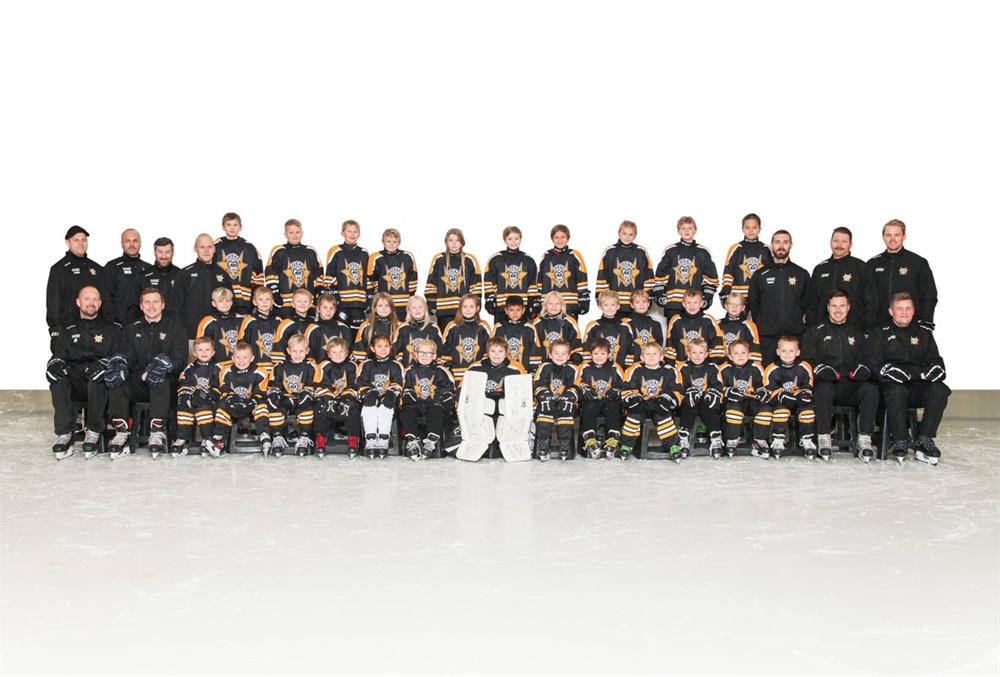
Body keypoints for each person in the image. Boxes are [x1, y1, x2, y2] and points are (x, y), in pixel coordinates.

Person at [104, 287, 187, 458]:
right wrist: (121, 365)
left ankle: (156, 433)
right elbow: (127, 357)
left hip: (166, 382)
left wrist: (166, 366)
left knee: (160, 380)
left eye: (155, 302)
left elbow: (180, 362)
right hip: (139, 379)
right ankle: (121, 432)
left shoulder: (175, 329)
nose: (151, 306)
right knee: (118, 383)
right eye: (147, 302)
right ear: (141, 306)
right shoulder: (130, 329)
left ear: (163, 304)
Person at [869, 292, 950, 465]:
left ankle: (925, 438)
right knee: (897, 390)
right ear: (891, 311)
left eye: (908, 308)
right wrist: (898, 373)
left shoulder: (924, 333)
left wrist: (919, 374)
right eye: (900, 309)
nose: (904, 312)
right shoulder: (879, 333)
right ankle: (900, 439)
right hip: (890, 389)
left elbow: (936, 363)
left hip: (917, 386)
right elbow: (875, 366)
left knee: (940, 390)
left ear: (913, 310)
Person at [802, 290, 879, 462]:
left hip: (852, 385)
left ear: (848, 307)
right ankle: (824, 437)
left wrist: (864, 369)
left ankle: (864, 438)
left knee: (871, 390)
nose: (838, 310)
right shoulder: (815, 333)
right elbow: (806, 361)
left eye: (842, 306)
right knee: (823, 389)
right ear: (828, 307)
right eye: (834, 306)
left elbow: (869, 359)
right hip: (829, 385)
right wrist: (818, 369)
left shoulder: (858, 333)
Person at [47, 286, 121, 460]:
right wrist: (54, 366)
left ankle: (93, 431)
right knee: (58, 380)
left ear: (100, 303)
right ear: (78, 302)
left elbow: (118, 356)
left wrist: (104, 365)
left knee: (98, 378)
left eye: (95, 299)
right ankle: (65, 433)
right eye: (87, 299)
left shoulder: (112, 329)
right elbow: (59, 357)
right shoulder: (67, 329)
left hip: (99, 382)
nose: (91, 303)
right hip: (76, 379)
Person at [747, 230, 810, 366]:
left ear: (791, 245)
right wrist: (765, 324)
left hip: (793, 337)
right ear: (771, 245)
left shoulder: (801, 274)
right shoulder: (760, 275)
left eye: (785, 242)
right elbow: (754, 304)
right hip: (767, 339)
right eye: (777, 242)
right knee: (767, 375)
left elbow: (806, 304)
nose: (781, 246)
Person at [867, 219, 938, 329]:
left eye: (897, 235)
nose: (892, 239)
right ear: (883, 237)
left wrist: (925, 323)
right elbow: (867, 297)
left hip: (911, 326)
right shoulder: (873, 264)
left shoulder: (918, 263)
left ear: (904, 236)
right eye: (888, 235)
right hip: (880, 327)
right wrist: (868, 324)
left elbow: (929, 295)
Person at [619, 342, 684, 461]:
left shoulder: (670, 371)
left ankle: (673, 446)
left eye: (654, 354)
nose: (651, 356)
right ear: (642, 357)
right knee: (634, 415)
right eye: (647, 354)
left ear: (661, 357)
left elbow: (678, 390)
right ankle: (626, 445)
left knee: (664, 417)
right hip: (642, 403)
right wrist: (633, 398)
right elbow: (627, 387)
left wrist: (668, 399)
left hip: (659, 404)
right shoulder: (634, 370)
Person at [806, 227, 878, 329]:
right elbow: (811, 304)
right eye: (836, 241)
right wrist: (812, 329)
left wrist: (867, 329)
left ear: (850, 245)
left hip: (854, 331)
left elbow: (870, 302)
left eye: (844, 241)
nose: (839, 245)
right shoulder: (820, 269)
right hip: (823, 331)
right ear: (830, 242)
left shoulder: (861, 268)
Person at [265, 333, 322, 457]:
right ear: (288, 351)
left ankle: (304, 437)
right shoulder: (279, 366)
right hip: (286, 398)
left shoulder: (311, 366)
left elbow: (314, 384)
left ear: (307, 351)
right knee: (274, 407)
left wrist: (307, 393)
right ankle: (277, 437)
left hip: (302, 399)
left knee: (307, 408)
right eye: (294, 351)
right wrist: (274, 394)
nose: (297, 354)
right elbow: (274, 383)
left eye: (301, 351)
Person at [47, 226, 103, 350]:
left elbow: (101, 299)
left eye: (84, 240)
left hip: (93, 329)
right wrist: (55, 330)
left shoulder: (96, 268)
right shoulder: (59, 269)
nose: (81, 243)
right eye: (76, 240)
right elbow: (53, 302)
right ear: (68, 243)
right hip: (68, 329)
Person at [653, 216, 719, 321]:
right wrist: (660, 293)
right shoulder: (671, 251)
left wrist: (707, 297)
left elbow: (711, 278)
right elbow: (661, 276)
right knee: (673, 331)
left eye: (690, 228)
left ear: (695, 230)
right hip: (673, 304)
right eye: (683, 228)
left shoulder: (703, 252)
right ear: (678, 231)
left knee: (694, 331)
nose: (686, 231)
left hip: (695, 305)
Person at [399, 339, 456, 460]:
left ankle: (431, 441)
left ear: (434, 356)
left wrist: (446, 397)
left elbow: (449, 389)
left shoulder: (441, 371)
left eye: (428, 353)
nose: (424, 356)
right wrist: (407, 394)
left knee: (437, 411)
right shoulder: (409, 371)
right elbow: (403, 387)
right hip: (415, 405)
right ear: (415, 354)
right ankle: (413, 440)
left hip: (433, 404)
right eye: (421, 353)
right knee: (406, 411)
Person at [174, 234, 234, 345]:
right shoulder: (184, 274)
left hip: (218, 336)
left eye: (209, 247)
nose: (206, 251)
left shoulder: (223, 274)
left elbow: (230, 304)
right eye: (202, 247)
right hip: (192, 336)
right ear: (195, 249)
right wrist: (181, 333)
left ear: (214, 249)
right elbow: (176, 308)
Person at [763, 336, 817, 459]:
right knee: (780, 411)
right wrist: (780, 395)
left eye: (791, 351)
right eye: (783, 351)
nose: (787, 354)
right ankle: (778, 439)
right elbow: (769, 388)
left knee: (807, 411)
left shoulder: (804, 366)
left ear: (798, 352)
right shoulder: (772, 368)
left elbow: (808, 385)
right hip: (782, 402)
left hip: (799, 401)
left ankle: (807, 440)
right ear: (778, 352)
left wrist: (803, 394)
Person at [213, 341, 271, 455]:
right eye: (238, 357)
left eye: (245, 357)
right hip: (234, 405)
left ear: (252, 358)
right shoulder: (226, 371)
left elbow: (261, 392)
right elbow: (223, 388)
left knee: (262, 406)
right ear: (232, 358)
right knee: (222, 405)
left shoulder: (260, 372)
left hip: (250, 405)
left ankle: (264, 434)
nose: (241, 360)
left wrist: (252, 401)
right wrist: (231, 397)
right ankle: (220, 437)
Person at [719, 339, 772, 458]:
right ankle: (731, 439)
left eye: (743, 353)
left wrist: (762, 391)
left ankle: (759, 440)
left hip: (752, 401)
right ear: (730, 356)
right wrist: (728, 391)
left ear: (749, 355)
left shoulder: (756, 367)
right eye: (736, 353)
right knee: (733, 410)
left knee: (766, 409)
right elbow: (718, 387)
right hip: (734, 402)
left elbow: (764, 385)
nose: (740, 356)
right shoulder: (724, 368)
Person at [172, 336, 222, 458]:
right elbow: (184, 382)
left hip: (211, 401)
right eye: (200, 350)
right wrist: (186, 395)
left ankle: (208, 438)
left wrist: (206, 393)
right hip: (194, 398)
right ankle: (183, 438)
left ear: (213, 352)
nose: (204, 352)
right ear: (194, 353)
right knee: (184, 405)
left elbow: (221, 386)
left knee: (202, 407)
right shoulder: (189, 368)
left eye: (207, 349)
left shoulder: (218, 368)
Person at [425, 228, 484, 330]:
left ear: (462, 243)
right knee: (445, 337)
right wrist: (431, 303)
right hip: (444, 310)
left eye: (457, 240)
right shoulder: (439, 259)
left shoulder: (470, 259)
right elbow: (431, 283)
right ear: (446, 242)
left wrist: (475, 304)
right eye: (451, 240)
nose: (454, 243)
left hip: (464, 310)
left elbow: (476, 285)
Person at [576, 338, 625, 459]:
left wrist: (618, 390)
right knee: (588, 407)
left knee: (614, 407)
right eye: (596, 353)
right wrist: (583, 388)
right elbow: (576, 383)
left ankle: (612, 439)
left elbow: (624, 384)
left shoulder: (615, 367)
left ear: (609, 354)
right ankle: (590, 439)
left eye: (603, 353)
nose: (599, 356)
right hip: (592, 401)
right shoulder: (585, 367)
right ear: (591, 354)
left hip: (608, 401)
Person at [594, 220, 655, 318]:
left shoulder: (641, 252)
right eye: (624, 233)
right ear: (619, 233)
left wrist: (649, 298)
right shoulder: (610, 251)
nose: (627, 237)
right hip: (614, 305)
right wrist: (600, 297)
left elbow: (649, 277)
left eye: (631, 234)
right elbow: (602, 276)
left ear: (635, 236)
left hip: (636, 304)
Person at [357, 334, 405, 458]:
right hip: (371, 397)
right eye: (379, 346)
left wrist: (392, 392)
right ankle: (370, 438)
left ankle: (384, 438)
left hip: (389, 398)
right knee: (369, 407)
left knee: (385, 408)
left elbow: (399, 382)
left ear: (391, 347)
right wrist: (368, 392)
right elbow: (360, 382)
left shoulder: (396, 365)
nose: (383, 349)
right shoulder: (366, 364)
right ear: (372, 348)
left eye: (386, 346)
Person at [532, 339, 580, 461]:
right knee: (545, 407)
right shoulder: (544, 367)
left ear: (569, 356)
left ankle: (565, 442)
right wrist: (545, 395)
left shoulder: (573, 369)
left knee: (566, 408)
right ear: (550, 354)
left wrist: (567, 396)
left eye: (564, 354)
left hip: (565, 403)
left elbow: (575, 386)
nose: (560, 356)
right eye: (556, 353)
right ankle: (543, 442)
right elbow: (538, 384)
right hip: (547, 402)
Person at [677, 338, 725, 458]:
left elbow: (718, 386)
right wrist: (686, 393)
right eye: (694, 352)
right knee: (689, 405)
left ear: (706, 354)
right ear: (688, 353)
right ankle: (683, 437)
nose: (697, 356)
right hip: (690, 402)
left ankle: (715, 438)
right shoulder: (682, 367)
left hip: (705, 400)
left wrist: (713, 393)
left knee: (709, 406)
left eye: (701, 353)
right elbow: (678, 386)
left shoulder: (713, 367)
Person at [315, 337, 362, 458]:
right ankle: (320, 438)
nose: (338, 355)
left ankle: (353, 438)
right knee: (320, 407)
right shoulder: (323, 366)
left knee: (353, 408)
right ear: (328, 354)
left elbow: (355, 385)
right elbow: (320, 384)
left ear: (346, 353)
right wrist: (329, 398)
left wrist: (347, 399)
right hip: (329, 398)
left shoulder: (353, 366)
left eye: (341, 351)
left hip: (346, 398)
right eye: (334, 352)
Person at [264, 218, 323, 311]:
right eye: (291, 232)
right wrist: (275, 293)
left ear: (302, 233)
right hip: (284, 305)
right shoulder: (279, 251)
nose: (295, 235)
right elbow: (270, 274)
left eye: (297, 232)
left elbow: (318, 274)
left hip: (307, 305)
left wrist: (318, 293)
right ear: (285, 234)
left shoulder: (310, 251)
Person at [323, 219, 370, 333]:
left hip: (359, 304)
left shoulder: (364, 253)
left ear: (359, 234)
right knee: (341, 333)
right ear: (342, 233)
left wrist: (369, 299)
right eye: (349, 231)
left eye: (355, 231)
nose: (352, 234)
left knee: (357, 334)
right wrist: (335, 298)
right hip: (342, 303)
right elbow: (329, 277)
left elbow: (368, 278)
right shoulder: (336, 251)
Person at [483, 226, 539, 323]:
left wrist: (533, 302)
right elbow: (489, 281)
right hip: (501, 307)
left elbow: (532, 284)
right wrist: (490, 299)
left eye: (516, 238)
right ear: (504, 240)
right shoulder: (495, 259)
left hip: (522, 309)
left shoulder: (528, 260)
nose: (513, 241)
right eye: (510, 239)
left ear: (520, 239)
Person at [214, 212, 264, 315]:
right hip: (221, 301)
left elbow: (258, 275)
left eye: (235, 225)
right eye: (228, 224)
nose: (232, 228)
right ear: (223, 227)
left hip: (243, 302)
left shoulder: (249, 248)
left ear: (240, 227)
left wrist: (255, 297)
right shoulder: (216, 246)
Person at [719, 212, 772, 309]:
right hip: (738, 298)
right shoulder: (736, 248)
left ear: (760, 229)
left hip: (759, 297)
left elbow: (771, 273)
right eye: (747, 227)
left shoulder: (766, 249)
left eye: (754, 227)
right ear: (742, 229)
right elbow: (728, 272)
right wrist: (726, 290)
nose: (751, 230)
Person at [536, 224, 589, 319]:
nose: (559, 240)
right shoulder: (546, 255)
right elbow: (540, 279)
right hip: (549, 305)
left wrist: (584, 298)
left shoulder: (575, 255)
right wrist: (538, 299)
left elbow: (582, 278)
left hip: (570, 304)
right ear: (552, 239)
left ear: (568, 238)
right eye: (556, 237)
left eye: (563, 237)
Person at [102, 228, 151, 327]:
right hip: (118, 327)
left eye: (135, 241)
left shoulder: (149, 269)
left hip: (144, 328)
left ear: (140, 243)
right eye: (127, 241)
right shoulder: (112, 267)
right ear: (122, 244)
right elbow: (106, 300)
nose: (132, 244)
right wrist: (114, 324)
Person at [367, 228, 419, 320]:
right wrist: (372, 298)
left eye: (395, 241)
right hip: (384, 304)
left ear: (399, 242)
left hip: (404, 303)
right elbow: (370, 279)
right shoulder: (375, 257)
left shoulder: (407, 256)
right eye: (388, 241)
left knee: (402, 327)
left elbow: (413, 277)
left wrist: (410, 297)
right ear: (383, 242)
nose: (391, 244)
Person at [665, 288, 726, 365]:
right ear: (683, 304)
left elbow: (717, 342)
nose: (692, 306)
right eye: (688, 303)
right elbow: (670, 343)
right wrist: (670, 363)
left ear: (701, 303)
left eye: (695, 302)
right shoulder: (676, 320)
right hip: (681, 365)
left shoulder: (708, 320)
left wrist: (713, 364)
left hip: (704, 366)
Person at [441, 294, 491, 387]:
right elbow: (445, 349)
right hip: (456, 373)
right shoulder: (452, 326)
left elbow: (489, 349)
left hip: (478, 373)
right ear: (460, 308)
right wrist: (448, 368)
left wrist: (485, 367)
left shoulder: (483, 326)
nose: (468, 310)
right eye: (465, 307)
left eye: (471, 306)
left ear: (477, 308)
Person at [530, 291, 583, 367]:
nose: (554, 306)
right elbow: (534, 346)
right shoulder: (537, 323)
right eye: (550, 303)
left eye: (557, 304)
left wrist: (572, 363)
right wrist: (537, 366)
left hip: (565, 365)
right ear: (545, 305)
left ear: (562, 305)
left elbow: (577, 345)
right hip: (543, 365)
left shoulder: (570, 322)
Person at [583, 291, 635, 369]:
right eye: (606, 305)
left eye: (613, 305)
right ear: (600, 306)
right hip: (597, 371)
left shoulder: (625, 327)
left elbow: (631, 348)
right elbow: (586, 348)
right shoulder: (593, 326)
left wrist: (627, 368)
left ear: (618, 306)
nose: (609, 308)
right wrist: (589, 368)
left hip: (620, 371)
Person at [393, 295, 444, 368]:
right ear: (409, 310)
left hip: (429, 371)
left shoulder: (434, 329)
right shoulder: (402, 328)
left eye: (420, 307)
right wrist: (403, 366)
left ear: (426, 308)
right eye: (414, 307)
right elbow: (395, 351)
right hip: (408, 371)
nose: (417, 310)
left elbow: (440, 352)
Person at [490, 295, 539, 369]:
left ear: (523, 310)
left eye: (518, 310)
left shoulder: (529, 328)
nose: (515, 313)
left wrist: (533, 369)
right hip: (502, 371)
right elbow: (491, 348)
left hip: (524, 371)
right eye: (511, 310)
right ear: (506, 310)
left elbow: (535, 350)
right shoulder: (499, 327)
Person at [196, 287, 244, 360]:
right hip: (215, 365)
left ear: (231, 302)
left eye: (227, 300)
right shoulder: (207, 322)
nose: (225, 303)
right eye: (220, 301)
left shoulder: (242, 320)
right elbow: (198, 346)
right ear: (214, 303)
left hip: (239, 364)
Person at [238, 286, 282, 367]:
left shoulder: (278, 321)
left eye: (267, 299)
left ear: (272, 301)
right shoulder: (249, 321)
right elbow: (242, 344)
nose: (264, 302)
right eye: (260, 299)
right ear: (254, 302)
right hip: (255, 367)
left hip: (275, 367)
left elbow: (282, 345)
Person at [352, 291, 401, 362]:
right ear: (374, 308)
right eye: (380, 306)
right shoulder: (365, 326)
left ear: (392, 308)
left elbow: (402, 350)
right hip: (371, 365)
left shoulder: (400, 326)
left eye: (387, 305)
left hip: (393, 365)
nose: (384, 308)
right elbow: (359, 349)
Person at [305, 293, 353, 363]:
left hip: (341, 368)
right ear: (318, 309)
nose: (328, 311)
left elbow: (349, 352)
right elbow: (309, 355)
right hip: (320, 368)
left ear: (335, 309)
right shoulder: (313, 329)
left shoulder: (343, 328)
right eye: (325, 307)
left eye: (331, 308)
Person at [141, 237, 182, 320]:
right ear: (154, 253)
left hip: (175, 324)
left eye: (167, 252)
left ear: (173, 253)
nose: (164, 256)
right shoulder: (143, 276)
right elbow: (134, 305)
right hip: (150, 325)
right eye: (160, 252)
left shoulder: (181, 275)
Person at [271, 288, 316, 362]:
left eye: (305, 301)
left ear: (310, 304)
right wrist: (280, 366)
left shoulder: (314, 324)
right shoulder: (285, 324)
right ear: (292, 304)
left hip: (309, 366)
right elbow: (278, 348)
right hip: (289, 365)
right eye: (298, 301)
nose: (302, 304)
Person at [717, 292, 762, 364]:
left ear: (743, 307)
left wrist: (753, 367)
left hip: (743, 366)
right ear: (726, 306)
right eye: (731, 304)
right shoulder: (717, 324)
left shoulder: (749, 325)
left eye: (738, 305)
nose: (734, 307)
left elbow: (755, 349)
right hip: (722, 365)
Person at [622, 289, 664, 363]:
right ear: (632, 305)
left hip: (650, 363)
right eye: (637, 302)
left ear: (648, 304)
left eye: (644, 302)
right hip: (630, 363)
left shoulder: (655, 323)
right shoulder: (624, 323)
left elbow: (658, 345)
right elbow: (623, 346)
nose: (641, 305)